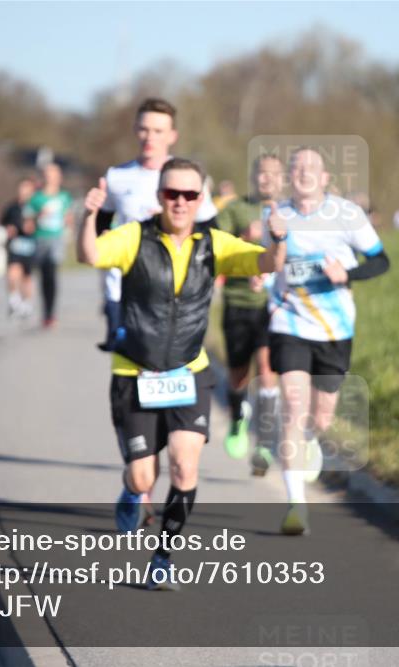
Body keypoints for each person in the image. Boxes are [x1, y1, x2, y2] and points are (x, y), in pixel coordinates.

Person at [79, 157, 286, 590]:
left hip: (189, 372)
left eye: (189, 195)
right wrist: (90, 216)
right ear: (160, 196)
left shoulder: (214, 244)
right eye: (172, 193)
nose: (180, 202)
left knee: (184, 466)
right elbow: (91, 254)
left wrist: (279, 240)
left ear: (200, 199)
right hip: (135, 372)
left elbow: (267, 263)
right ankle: (132, 490)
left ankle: (163, 557)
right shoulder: (135, 237)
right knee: (143, 475)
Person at [267, 148, 390, 535]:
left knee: (320, 417)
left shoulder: (347, 215)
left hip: (335, 330)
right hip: (289, 322)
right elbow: (269, 263)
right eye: (297, 167)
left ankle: (309, 439)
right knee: (293, 405)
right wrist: (262, 275)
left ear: (324, 178)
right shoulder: (276, 216)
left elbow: (381, 260)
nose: (304, 173)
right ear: (289, 177)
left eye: (312, 168)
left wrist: (347, 275)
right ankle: (296, 505)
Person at [95, 98, 217, 352]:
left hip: (174, 291)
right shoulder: (116, 176)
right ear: (135, 130)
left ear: (172, 136)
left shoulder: (189, 178)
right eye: (144, 129)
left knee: (170, 360)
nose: (150, 137)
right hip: (123, 291)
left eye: (158, 131)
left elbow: (211, 231)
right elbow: (101, 225)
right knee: (127, 362)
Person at [215, 154, 284, 475]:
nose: (266, 179)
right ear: (253, 176)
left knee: (268, 370)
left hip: (273, 306)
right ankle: (237, 419)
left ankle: (265, 441)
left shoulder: (287, 212)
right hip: (238, 301)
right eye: (261, 173)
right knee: (239, 374)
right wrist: (244, 236)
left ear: (281, 179)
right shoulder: (235, 209)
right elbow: (217, 247)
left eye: (273, 174)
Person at [24, 162, 73, 329]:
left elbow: (69, 218)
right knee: (43, 275)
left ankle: (51, 314)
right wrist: (39, 215)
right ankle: (45, 311)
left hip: (56, 239)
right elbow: (28, 224)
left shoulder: (64, 197)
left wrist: (68, 224)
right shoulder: (36, 198)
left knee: (52, 273)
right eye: (47, 175)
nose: (50, 178)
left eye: (53, 175)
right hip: (40, 239)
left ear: (59, 177)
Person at [0, 177, 37, 318]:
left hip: (30, 245)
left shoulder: (35, 206)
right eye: (22, 188)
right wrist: (8, 228)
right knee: (13, 271)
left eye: (27, 188)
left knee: (27, 276)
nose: (24, 191)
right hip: (15, 244)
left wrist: (34, 227)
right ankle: (13, 300)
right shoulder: (12, 207)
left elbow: (41, 224)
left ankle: (27, 304)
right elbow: (3, 222)